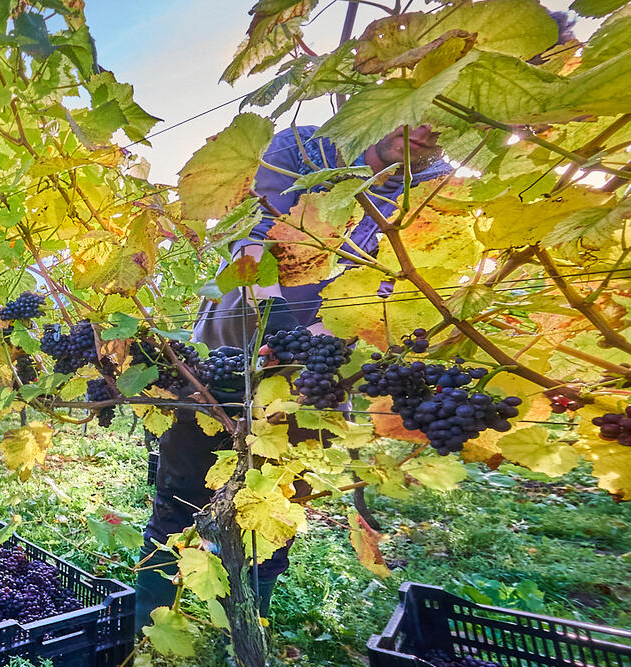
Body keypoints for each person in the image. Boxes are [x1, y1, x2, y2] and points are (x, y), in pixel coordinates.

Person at [133, 124, 450, 633]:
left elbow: (407, 290)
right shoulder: (304, 148)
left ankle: (239, 640)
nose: (426, 128)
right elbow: (250, 247)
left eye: (444, 112)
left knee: (273, 507)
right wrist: (284, 320)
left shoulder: (439, 188)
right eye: (416, 106)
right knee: (183, 494)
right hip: (233, 339)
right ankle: (150, 631)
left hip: (322, 368)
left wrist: (336, 345)